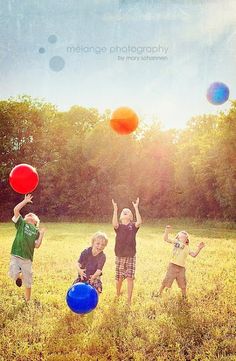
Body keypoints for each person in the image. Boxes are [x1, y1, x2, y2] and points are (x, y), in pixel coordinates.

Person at [9, 194, 45, 302]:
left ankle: (27, 300)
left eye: (32, 215)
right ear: (24, 219)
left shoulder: (35, 231)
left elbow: (37, 245)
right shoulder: (21, 224)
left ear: (35, 222)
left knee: (28, 281)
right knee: (13, 274)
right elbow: (16, 209)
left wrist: (42, 234)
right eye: (28, 214)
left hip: (27, 259)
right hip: (15, 254)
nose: (30, 214)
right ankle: (19, 276)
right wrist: (25, 201)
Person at [153, 225, 205, 299]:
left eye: (185, 237)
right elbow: (166, 239)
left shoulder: (187, 248)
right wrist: (167, 231)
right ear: (178, 237)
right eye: (182, 236)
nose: (184, 237)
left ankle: (184, 296)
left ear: (187, 239)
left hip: (181, 268)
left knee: (183, 284)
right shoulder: (176, 242)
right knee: (166, 280)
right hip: (173, 266)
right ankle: (159, 293)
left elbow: (194, 255)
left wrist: (199, 248)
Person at [112, 197, 142, 305]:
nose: (125, 211)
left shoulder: (133, 226)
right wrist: (115, 210)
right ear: (121, 217)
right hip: (120, 255)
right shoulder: (118, 226)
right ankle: (118, 293)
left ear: (130, 217)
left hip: (131, 256)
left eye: (128, 212)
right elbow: (114, 224)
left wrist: (136, 208)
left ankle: (129, 299)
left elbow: (139, 221)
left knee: (130, 277)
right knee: (119, 277)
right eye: (123, 212)